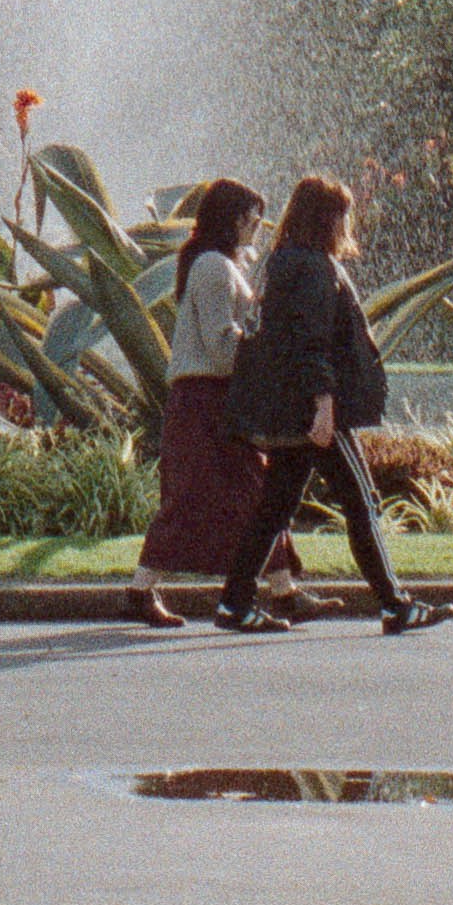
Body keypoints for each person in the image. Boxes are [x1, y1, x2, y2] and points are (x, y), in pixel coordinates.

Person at [215, 174, 450, 636]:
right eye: (342, 214)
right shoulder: (314, 268)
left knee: (275, 506)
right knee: (360, 500)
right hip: (312, 409)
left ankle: (234, 603)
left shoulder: (283, 262)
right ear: (328, 218)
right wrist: (324, 405)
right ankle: (393, 604)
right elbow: (311, 342)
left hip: (289, 405)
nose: (347, 224)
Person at [138, 178, 328, 630]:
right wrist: (269, 346)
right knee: (206, 497)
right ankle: (140, 591)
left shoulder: (222, 265)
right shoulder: (212, 268)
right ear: (233, 219)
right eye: (252, 218)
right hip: (206, 398)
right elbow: (222, 347)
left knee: (254, 491)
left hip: (215, 397)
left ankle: (282, 591)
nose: (259, 227)